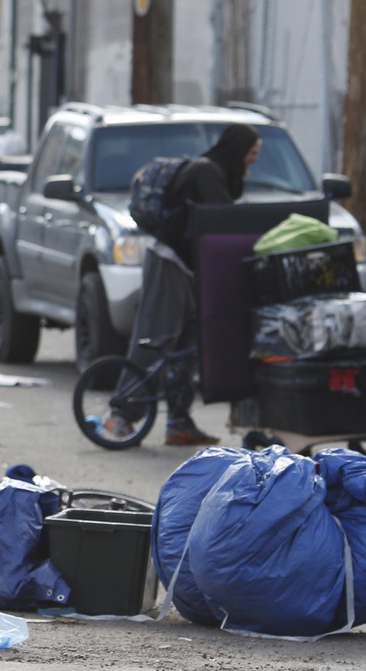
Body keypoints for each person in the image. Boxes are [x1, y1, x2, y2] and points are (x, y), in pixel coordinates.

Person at [109, 123, 261, 446]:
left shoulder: (217, 174)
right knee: (155, 338)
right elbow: (225, 223)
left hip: (192, 269)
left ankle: (179, 422)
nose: (253, 160)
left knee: (185, 350)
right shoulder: (205, 173)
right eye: (251, 152)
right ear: (236, 148)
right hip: (170, 261)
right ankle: (120, 414)